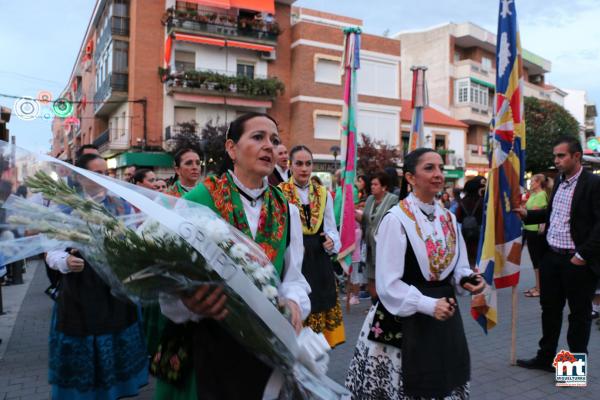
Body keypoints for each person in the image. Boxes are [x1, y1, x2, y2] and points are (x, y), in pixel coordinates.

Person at [156, 112, 311, 400]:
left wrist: (293, 301)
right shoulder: (196, 202)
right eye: (258, 137)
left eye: (275, 140)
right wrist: (187, 300)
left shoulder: (287, 210)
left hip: (266, 350)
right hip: (209, 347)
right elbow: (169, 282)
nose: (270, 146)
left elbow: (294, 277)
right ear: (231, 148)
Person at [345, 148, 485, 399]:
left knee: (443, 381)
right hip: (404, 318)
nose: (438, 174)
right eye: (429, 168)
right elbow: (388, 284)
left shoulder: (449, 219)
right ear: (410, 178)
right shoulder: (396, 219)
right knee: (408, 386)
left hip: (444, 316)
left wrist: (466, 278)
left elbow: (458, 265)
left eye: (440, 168)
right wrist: (428, 304)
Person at [45, 154, 148, 399]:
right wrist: (66, 262)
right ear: (81, 177)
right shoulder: (66, 206)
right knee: (85, 354)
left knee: (115, 345)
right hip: (81, 291)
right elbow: (50, 250)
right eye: (98, 173)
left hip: (115, 290)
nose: (104, 178)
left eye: (107, 173)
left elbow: (134, 238)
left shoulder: (120, 204)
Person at [516, 136, 600, 372]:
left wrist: (582, 255)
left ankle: (573, 371)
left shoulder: (593, 183)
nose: (556, 160)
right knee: (550, 311)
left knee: (578, 316)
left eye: (561, 155)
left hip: (578, 262)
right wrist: (528, 215)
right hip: (551, 257)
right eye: (555, 156)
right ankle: (545, 359)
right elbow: (554, 215)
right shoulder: (559, 182)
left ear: (576, 156)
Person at [279, 145, 345, 348]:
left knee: (319, 336)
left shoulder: (323, 193)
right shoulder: (280, 192)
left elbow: (332, 229)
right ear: (290, 165)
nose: (304, 168)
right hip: (294, 261)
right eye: (299, 163)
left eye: (308, 163)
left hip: (319, 261)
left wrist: (332, 241)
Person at [355, 172, 399, 302]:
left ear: (384, 187)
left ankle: (385, 305)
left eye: (375, 184)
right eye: (371, 184)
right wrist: (353, 214)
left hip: (385, 247)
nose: (372, 187)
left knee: (383, 278)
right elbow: (366, 220)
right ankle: (374, 306)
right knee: (371, 277)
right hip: (369, 246)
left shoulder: (392, 200)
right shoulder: (369, 200)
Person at [522, 174, 552, 298]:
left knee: (537, 260)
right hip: (529, 229)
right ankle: (538, 285)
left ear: (539, 182)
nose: (530, 184)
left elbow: (539, 213)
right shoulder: (533, 195)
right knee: (534, 260)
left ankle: (540, 288)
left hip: (536, 231)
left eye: (533, 181)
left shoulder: (541, 195)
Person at [455, 176, 486, 267]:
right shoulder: (483, 201)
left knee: (468, 257)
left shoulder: (462, 202)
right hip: (481, 233)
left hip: (466, 234)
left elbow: (459, 218)